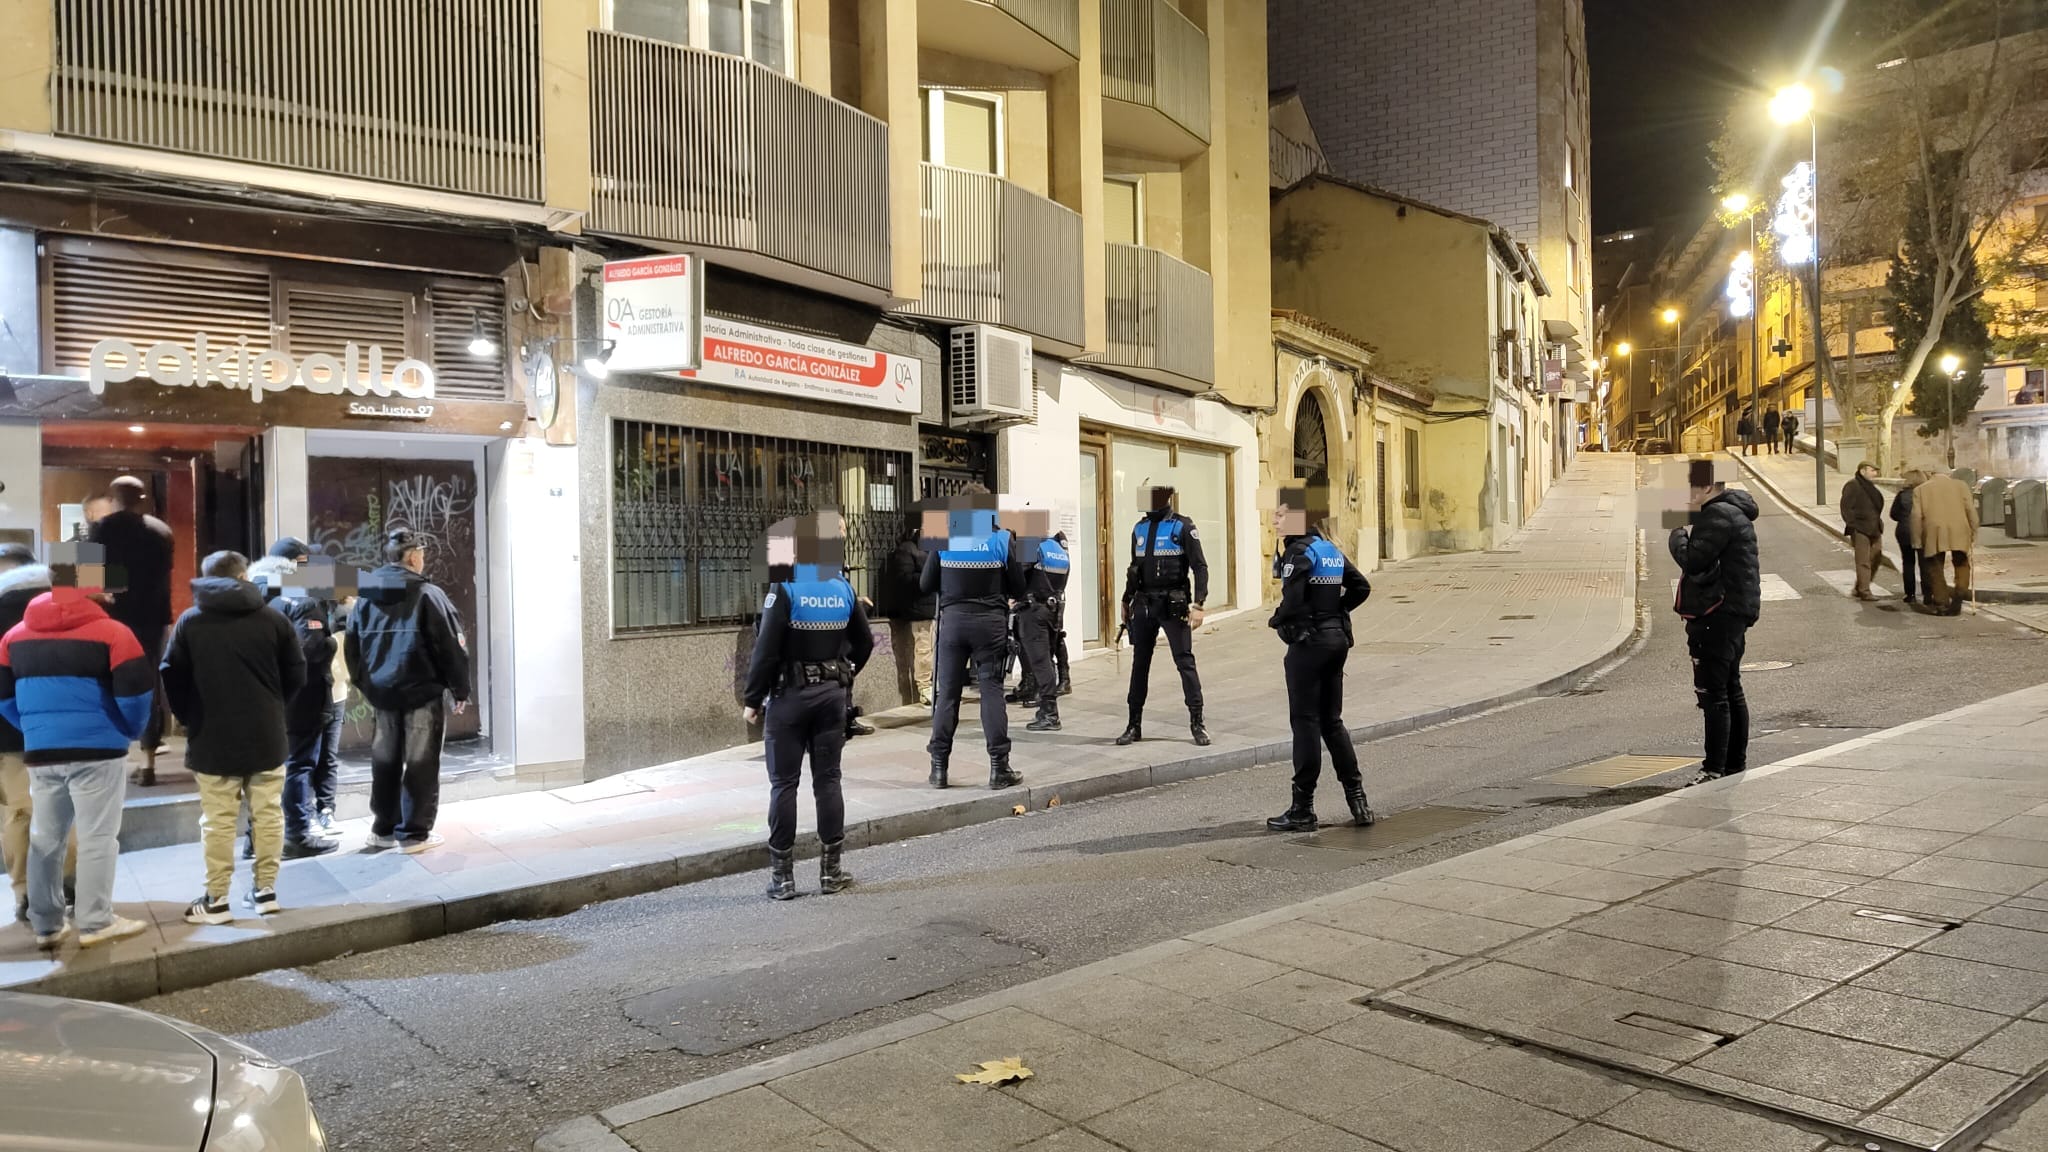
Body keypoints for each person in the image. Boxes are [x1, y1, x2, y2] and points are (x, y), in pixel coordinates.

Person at [0, 551, 154, 948]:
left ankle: (46, 923)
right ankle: (96, 921)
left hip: (40, 751)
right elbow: (137, 694)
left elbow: (4, 700)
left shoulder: (14, 637)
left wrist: (35, 730)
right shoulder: (114, 633)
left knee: (44, 837)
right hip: (99, 750)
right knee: (98, 837)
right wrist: (126, 730)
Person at [160, 551, 306, 923]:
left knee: (218, 820)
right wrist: (273, 705)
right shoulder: (274, 619)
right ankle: (266, 892)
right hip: (266, 733)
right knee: (269, 813)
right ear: (244, 575)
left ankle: (217, 900)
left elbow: (171, 674)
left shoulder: (190, 622)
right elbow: (297, 674)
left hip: (212, 735)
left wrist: (188, 715)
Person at [743, 512, 874, 900]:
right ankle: (831, 873)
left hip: (789, 699)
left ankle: (783, 879)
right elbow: (864, 644)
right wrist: (844, 670)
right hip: (831, 698)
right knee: (828, 781)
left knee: (784, 784)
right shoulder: (843, 589)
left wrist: (752, 699)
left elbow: (765, 652)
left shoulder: (785, 590)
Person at [345, 529, 471, 853]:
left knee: (384, 760)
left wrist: (366, 684)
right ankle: (414, 833)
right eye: (422, 553)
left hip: (382, 695)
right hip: (420, 692)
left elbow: (352, 647)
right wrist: (460, 689)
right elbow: (451, 646)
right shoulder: (428, 594)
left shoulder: (365, 596)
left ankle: (383, 828)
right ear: (413, 557)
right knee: (421, 762)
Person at [1265, 486, 1374, 831]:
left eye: (1281, 514)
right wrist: (1335, 611)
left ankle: (1303, 809)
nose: (1274, 520)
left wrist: (1278, 618)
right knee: (1332, 721)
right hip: (1336, 641)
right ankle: (1358, 802)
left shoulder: (1299, 552)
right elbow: (1361, 587)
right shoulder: (1328, 549)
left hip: (1309, 646)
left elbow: (1294, 602)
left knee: (1306, 723)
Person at [921, 490, 1027, 790]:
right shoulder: (1002, 539)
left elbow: (925, 584)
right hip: (990, 626)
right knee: (991, 692)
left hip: (953, 625)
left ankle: (939, 768)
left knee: (947, 695)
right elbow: (1018, 588)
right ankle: (998, 768)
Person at [1669, 460, 1762, 785]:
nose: (1686, 494)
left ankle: (1714, 768)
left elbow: (1693, 560)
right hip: (1732, 612)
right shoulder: (1732, 512)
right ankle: (1734, 764)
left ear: (1707, 487)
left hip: (1717, 615)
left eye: (1690, 487)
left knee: (1714, 694)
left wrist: (1677, 532)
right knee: (1730, 688)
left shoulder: (1717, 515)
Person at [87, 477, 174, 786]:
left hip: (110, 616)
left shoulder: (100, 530)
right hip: (152, 618)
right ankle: (148, 761)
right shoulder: (160, 531)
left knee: (107, 682)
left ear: (114, 497)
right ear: (142, 497)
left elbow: (85, 582)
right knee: (149, 684)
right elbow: (161, 578)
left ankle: (113, 759)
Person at [1117, 485, 1210, 748]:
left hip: (1173, 604)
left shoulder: (1182, 526)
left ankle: (1197, 722)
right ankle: (1134, 724)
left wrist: (1199, 603)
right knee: (1139, 665)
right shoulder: (1139, 528)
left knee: (1185, 662)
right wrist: (1126, 599)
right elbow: (1134, 569)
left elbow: (1200, 567)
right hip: (1144, 604)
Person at [273, 561, 348, 857]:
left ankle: (313, 817)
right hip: (309, 696)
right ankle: (299, 831)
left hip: (297, 696)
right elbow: (313, 649)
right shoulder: (307, 605)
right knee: (302, 763)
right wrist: (331, 641)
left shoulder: (277, 602)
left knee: (309, 760)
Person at [0, 543, 53, 922]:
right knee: (64, 810)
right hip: (64, 732)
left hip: (8, 733)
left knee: (20, 811)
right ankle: (64, 883)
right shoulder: (71, 606)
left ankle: (24, 892)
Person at [1015, 526, 1070, 733]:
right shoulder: (1056, 547)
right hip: (1052, 609)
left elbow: (1017, 576)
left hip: (1033, 610)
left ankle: (1049, 714)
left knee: (1039, 662)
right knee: (1046, 660)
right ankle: (1047, 708)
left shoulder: (1029, 543)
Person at [1910, 469, 1978, 617]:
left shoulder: (1920, 490)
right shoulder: (1961, 486)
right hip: (1960, 529)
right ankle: (1960, 593)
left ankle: (1942, 603)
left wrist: (1916, 539)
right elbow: (1970, 510)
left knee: (1935, 567)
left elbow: (1916, 516)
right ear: (1948, 475)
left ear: (1930, 475)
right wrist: (1974, 530)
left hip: (1934, 530)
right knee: (1962, 563)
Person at [883, 526, 935, 707]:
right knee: (923, 649)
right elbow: (903, 579)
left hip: (932, 607)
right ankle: (924, 686)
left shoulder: (934, 550)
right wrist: (929, 577)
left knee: (930, 650)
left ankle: (930, 684)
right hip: (918, 609)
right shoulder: (907, 550)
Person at [1840, 461, 1887, 601]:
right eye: (1872, 470)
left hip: (1874, 528)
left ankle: (1859, 586)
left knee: (1876, 557)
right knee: (1863, 561)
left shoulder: (1871, 487)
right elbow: (1846, 507)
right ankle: (1864, 591)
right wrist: (1853, 524)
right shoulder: (1853, 485)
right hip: (1860, 529)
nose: (1875, 473)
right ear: (1863, 471)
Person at [1892, 471, 1925, 607]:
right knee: (1924, 563)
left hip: (1904, 531)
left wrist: (1904, 519)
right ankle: (1927, 592)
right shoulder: (1925, 494)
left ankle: (1910, 594)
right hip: (1922, 531)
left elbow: (1893, 514)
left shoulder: (1902, 495)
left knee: (1908, 562)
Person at [1050, 532, 1074, 697]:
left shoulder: (1057, 536)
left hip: (1052, 595)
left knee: (1056, 636)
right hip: (1043, 595)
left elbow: (1066, 566)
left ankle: (1064, 679)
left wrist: (1058, 592)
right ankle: (1029, 681)